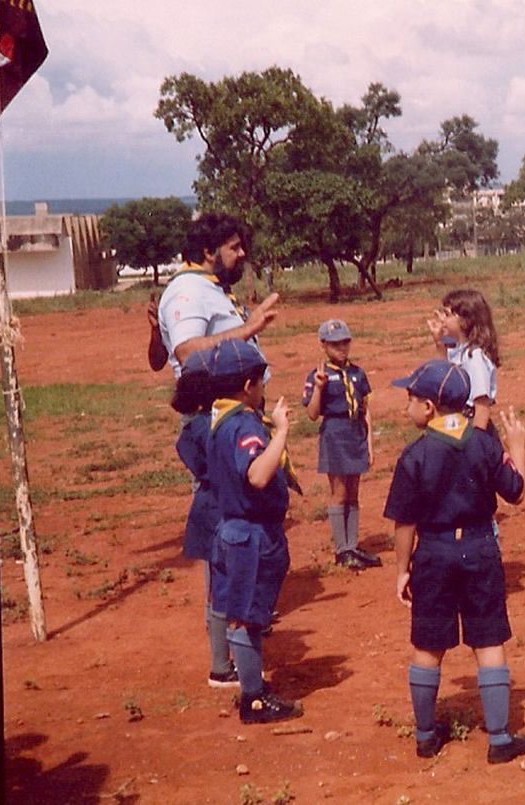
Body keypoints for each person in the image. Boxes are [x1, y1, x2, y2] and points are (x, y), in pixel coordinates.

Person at [384, 360, 525, 763]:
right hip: (480, 548)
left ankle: (425, 736)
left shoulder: (414, 454)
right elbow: (516, 492)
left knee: (428, 643)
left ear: (429, 407)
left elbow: (404, 523)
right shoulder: (484, 443)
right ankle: (499, 738)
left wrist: (402, 570)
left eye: (411, 399)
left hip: (434, 552)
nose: (406, 407)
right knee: (488, 640)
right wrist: (517, 447)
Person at [204, 339, 303, 724]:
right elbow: (258, 475)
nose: (264, 388)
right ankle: (254, 698)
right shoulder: (244, 424)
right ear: (248, 386)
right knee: (247, 618)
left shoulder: (216, 418)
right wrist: (280, 432)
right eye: (261, 382)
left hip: (229, 528)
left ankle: (251, 688)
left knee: (238, 613)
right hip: (252, 534)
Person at [169, 350, 233, 688]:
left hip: (205, 507)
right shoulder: (211, 425)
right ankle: (221, 665)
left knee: (217, 584)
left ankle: (221, 656)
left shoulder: (190, 427)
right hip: (222, 505)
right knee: (225, 584)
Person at [157, 212, 279, 378]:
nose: (242, 253)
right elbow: (187, 353)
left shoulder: (209, 285)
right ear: (209, 253)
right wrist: (248, 328)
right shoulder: (187, 290)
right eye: (234, 247)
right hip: (212, 395)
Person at [303, 319, 379, 570]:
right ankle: (341, 549)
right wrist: (319, 388)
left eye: (345, 342)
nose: (341, 348)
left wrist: (369, 444)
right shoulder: (319, 375)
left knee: (354, 491)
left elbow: (366, 410)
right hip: (335, 434)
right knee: (339, 492)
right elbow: (312, 414)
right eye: (335, 344)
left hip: (355, 432)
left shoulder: (357, 373)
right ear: (323, 345)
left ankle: (352, 545)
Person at [427, 289, 500, 431]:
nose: (442, 320)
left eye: (447, 315)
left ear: (465, 321)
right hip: (461, 425)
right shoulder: (459, 350)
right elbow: (447, 378)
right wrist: (439, 342)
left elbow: (482, 406)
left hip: (474, 425)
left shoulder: (475, 357)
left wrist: (478, 439)